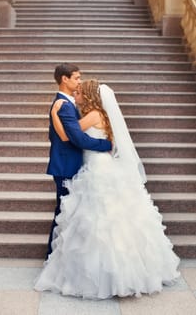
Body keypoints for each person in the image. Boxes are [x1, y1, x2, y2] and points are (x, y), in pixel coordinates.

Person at [34, 79, 180, 299]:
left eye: (80, 92)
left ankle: (102, 276)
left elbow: (68, 136)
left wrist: (54, 114)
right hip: (103, 164)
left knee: (98, 221)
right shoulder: (102, 115)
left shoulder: (93, 115)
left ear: (90, 95)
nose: (76, 95)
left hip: (96, 167)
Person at [45, 64, 112, 257]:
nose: (79, 81)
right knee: (63, 212)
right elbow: (76, 139)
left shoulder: (69, 105)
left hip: (74, 164)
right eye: (76, 78)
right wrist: (108, 145)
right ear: (64, 79)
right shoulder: (64, 105)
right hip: (67, 166)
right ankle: (53, 256)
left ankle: (63, 256)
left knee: (68, 213)